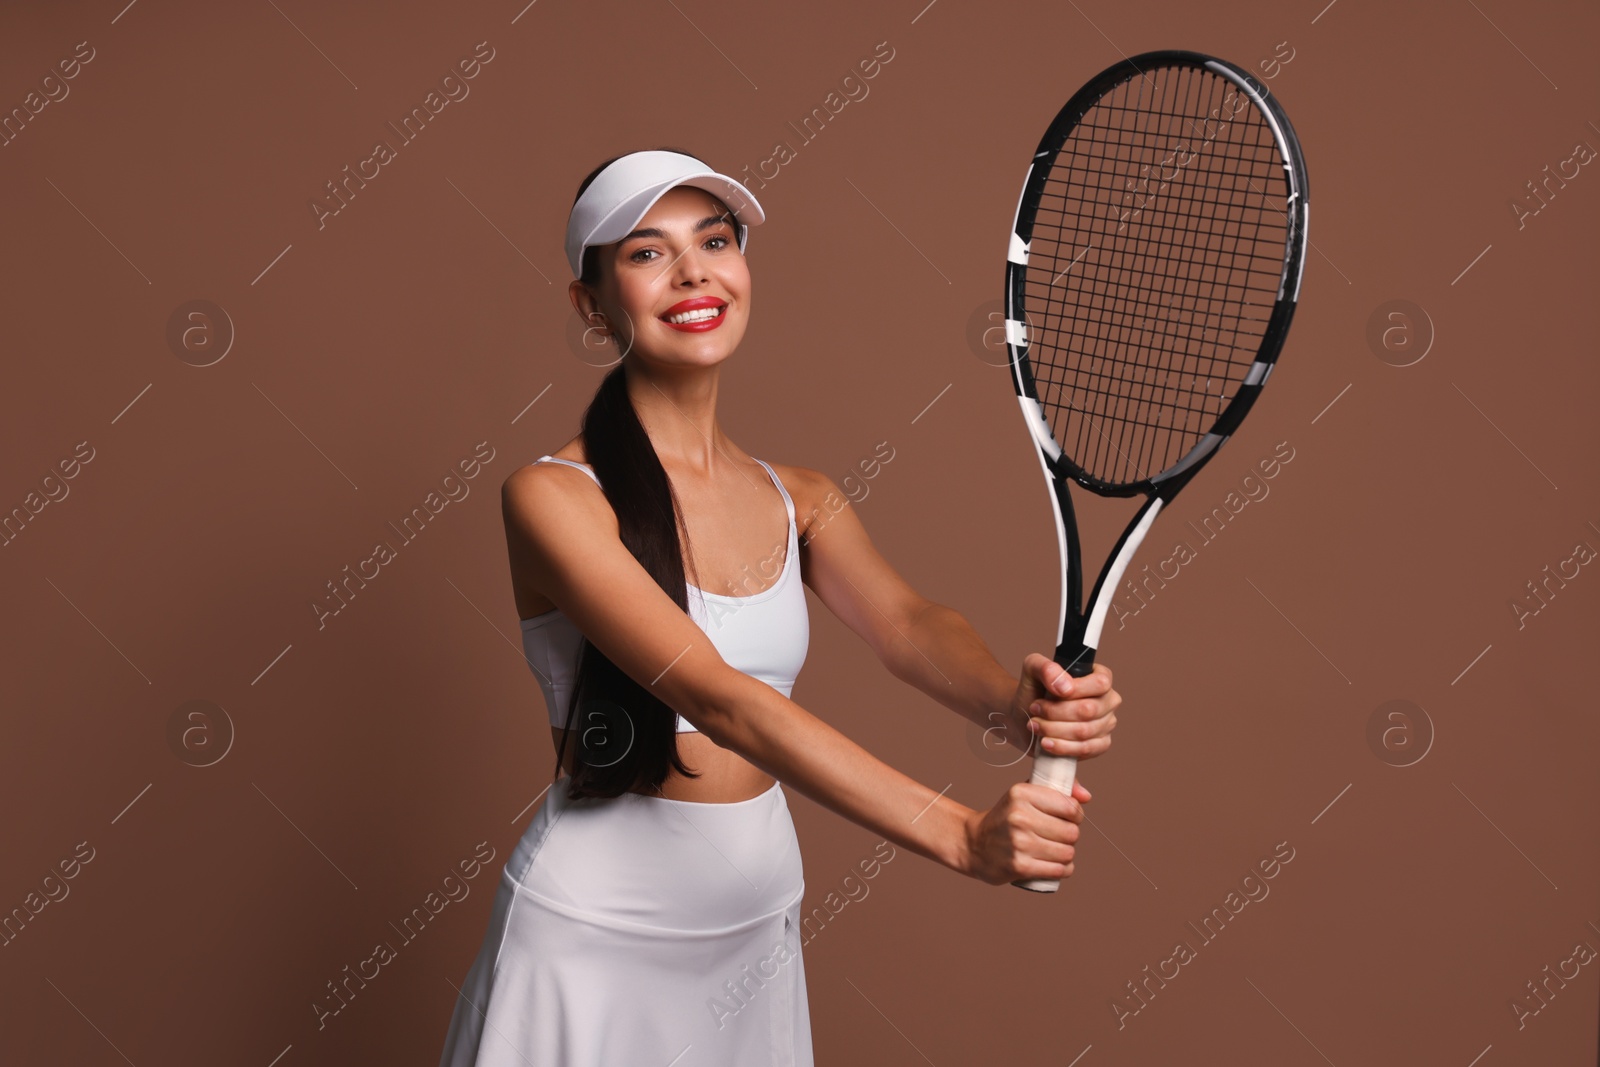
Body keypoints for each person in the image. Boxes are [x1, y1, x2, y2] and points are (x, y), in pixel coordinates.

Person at [437, 147, 1122, 1067]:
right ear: (590, 303)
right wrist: (961, 835)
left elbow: (910, 626)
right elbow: (722, 701)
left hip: (752, 930)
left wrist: (1021, 706)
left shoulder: (803, 495)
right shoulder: (555, 497)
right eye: (647, 253)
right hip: (595, 935)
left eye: (715, 240)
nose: (693, 273)